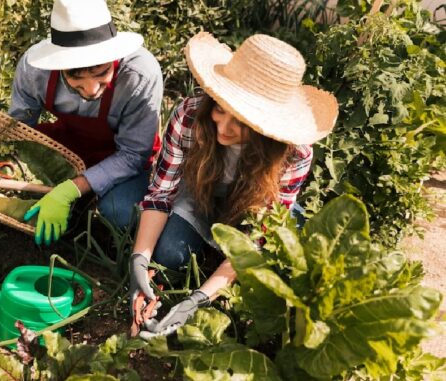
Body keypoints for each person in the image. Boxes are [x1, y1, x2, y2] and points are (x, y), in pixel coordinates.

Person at [128, 32, 339, 339]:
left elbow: (257, 237)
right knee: (170, 253)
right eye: (219, 109)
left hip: (252, 210)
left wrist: (198, 300)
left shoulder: (294, 154)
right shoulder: (190, 116)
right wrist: (138, 261)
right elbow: (162, 193)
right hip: (202, 197)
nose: (222, 129)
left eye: (240, 122)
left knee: (282, 262)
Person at [7, 0, 163, 246]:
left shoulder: (140, 75)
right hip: (70, 144)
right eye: (74, 76)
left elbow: (134, 154)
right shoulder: (35, 70)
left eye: (101, 73)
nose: (91, 89)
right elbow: (19, 132)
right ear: (58, 65)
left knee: (120, 212)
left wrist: (71, 189)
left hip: (123, 157)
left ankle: (85, 204)